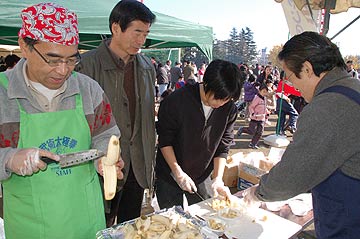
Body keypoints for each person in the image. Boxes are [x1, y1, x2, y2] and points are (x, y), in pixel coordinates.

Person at [0, 3, 124, 239]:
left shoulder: (88, 89)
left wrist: (104, 158)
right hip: (30, 225)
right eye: (52, 59)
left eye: (71, 60)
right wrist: (8, 158)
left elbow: (107, 135)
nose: (62, 70)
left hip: (86, 220)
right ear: (24, 47)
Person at [243, 31, 360, 239]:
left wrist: (258, 192)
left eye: (289, 77)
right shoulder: (353, 88)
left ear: (307, 69)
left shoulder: (327, 106)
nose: (291, 86)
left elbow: (293, 174)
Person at [76, 0, 156, 225]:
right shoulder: (86, 66)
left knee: (130, 225)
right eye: (137, 32)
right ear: (115, 28)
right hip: (100, 164)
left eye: (146, 34)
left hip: (137, 165)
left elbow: (147, 120)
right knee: (98, 222)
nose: (141, 41)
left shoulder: (147, 68)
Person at [155, 59, 243, 209]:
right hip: (170, 172)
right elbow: (165, 141)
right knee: (172, 222)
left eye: (226, 99)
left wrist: (218, 178)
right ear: (206, 83)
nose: (220, 104)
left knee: (207, 216)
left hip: (202, 174)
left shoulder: (229, 109)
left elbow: (223, 146)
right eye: (217, 98)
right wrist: (178, 173)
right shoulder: (176, 101)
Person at [237, 84, 269, 149]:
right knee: (252, 131)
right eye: (263, 91)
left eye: (266, 92)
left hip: (261, 118)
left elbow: (264, 107)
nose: (265, 93)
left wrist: (267, 113)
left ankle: (253, 144)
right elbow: (251, 106)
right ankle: (242, 129)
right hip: (255, 117)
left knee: (260, 132)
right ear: (259, 91)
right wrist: (253, 113)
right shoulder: (256, 98)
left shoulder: (265, 98)